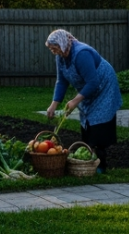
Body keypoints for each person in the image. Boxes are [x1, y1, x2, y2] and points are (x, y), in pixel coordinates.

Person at [44, 28, 122, 172]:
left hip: (104, 86)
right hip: (88, 88)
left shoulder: (82, 54)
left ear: (62, 43)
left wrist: (75, 101)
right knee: (87, 120)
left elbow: (93, 82)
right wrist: (53, 105)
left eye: (54, 48)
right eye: (51, 49)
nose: (53, 52)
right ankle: (89, 160)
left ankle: (100, 165)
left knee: (99, 122)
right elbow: (61, 82)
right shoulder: (61, 56)